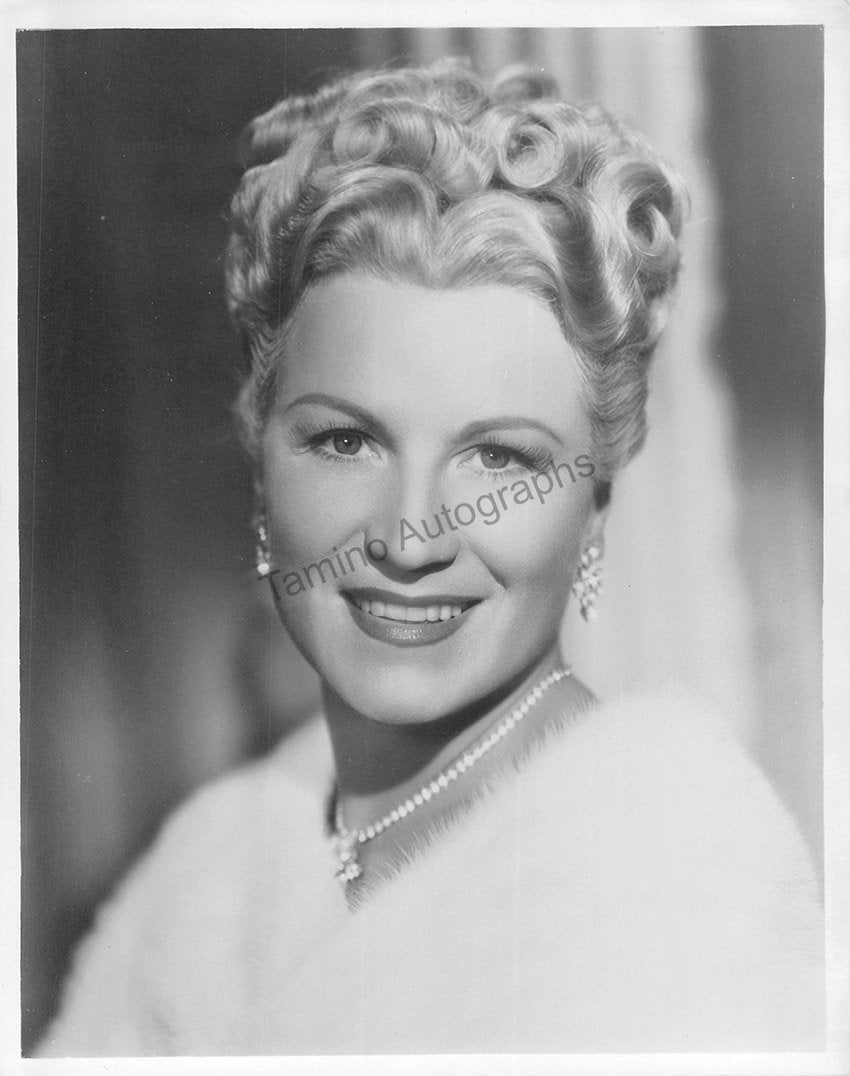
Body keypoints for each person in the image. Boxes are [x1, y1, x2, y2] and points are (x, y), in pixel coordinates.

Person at [37, 57, 823, 1057]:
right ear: (260, 462)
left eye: (500, 456)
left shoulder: (677, 890)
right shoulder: (211, 872)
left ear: (594, 508)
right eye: (345, 440)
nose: (410, 537)